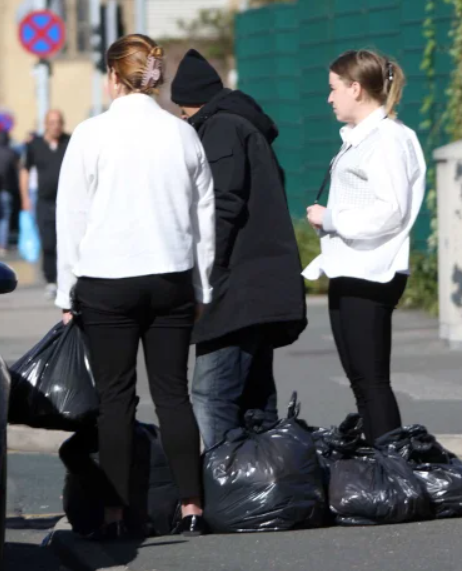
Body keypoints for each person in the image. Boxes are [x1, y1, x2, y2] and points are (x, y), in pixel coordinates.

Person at [55, 34, 216, 539]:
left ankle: (116, 514)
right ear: (154, 78)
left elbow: (71, 218)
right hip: (169, 279)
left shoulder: (90, 134)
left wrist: (66, 293)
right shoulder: (182, 134)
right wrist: (202, 288)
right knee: (173, 395)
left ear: (112, 77)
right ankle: (192, 508)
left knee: (116, 402)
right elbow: (203, 219)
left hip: (106, 283)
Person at [170, 49, 307, 450]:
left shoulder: (221, 130)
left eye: (181, 112)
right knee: (255, 403)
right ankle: (264, 492)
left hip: (236, 293)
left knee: (211, 396)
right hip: (260, 289)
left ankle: (218, 488)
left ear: (187, 105)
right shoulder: (244, 125)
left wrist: (199, 276)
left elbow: (221, 208)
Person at [303, 49, 426, 442]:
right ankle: (382, 474)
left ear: (356, 89)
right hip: (350, 268)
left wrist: (331, 218)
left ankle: (393, 475)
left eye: (334, 88)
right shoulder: (364, 138)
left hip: (371, 271)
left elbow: (391, 210)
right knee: (362, 383)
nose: (329, 97)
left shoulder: (388, 139)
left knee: (372, 383)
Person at [21, 112, 70, 300]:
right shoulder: (35, 146)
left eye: (58, 123)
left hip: (66, 201)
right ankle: (51, 280)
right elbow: (25, 171)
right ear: (45, 125)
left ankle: (68, 280)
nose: (55, 126)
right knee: (48, 242)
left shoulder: (69, 142)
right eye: (52, 123)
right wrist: (25, 197)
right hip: (44, 202)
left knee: (66, 242)